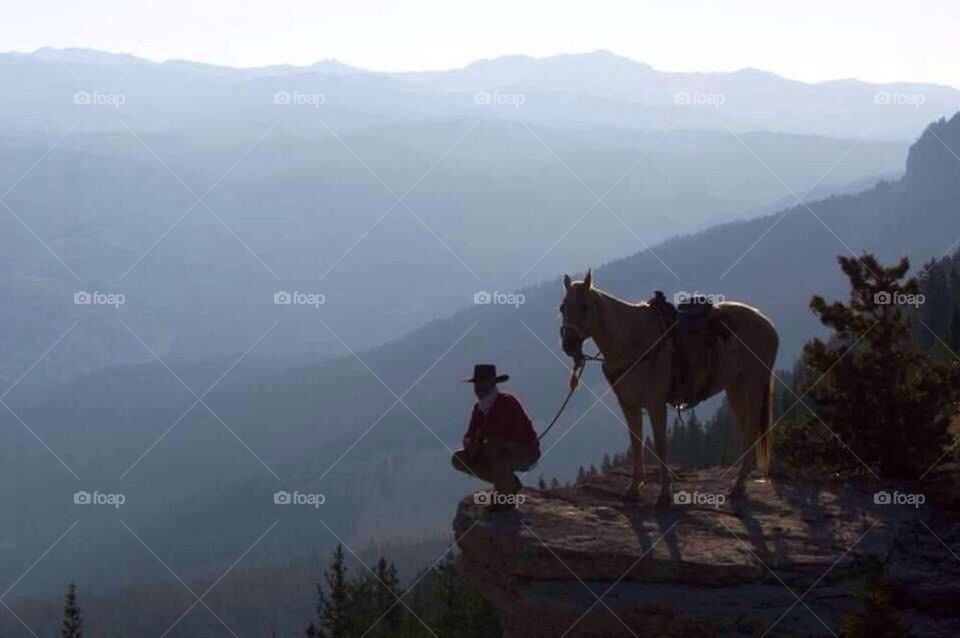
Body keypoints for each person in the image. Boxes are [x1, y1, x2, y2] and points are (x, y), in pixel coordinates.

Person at [451, 364, 540, 511]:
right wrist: (471, 444)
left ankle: (504, 498)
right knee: (459, 459)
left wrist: (482, 441)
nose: (478, 387)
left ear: (492, 383)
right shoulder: (478, 409)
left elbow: (510, 435)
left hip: (525, 452)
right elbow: (469, 435)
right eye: (477, 384)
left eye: (482, 383)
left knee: (495, 446)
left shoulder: (507, 402)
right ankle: (508, 483)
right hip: (494, 452)